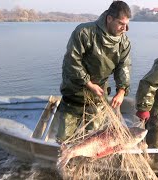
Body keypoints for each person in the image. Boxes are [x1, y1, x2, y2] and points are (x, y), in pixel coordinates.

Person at [56, 1, 131, 142]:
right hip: (74, 92)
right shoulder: (84, 32)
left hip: (98, 95)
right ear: (109, 19)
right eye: (121, 23)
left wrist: (121, 91)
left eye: (127, 24)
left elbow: (124, 66)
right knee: (64, 140)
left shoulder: (124, 42)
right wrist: (88, 84)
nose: (125, 28)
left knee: (95, 138)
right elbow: (72, 62)